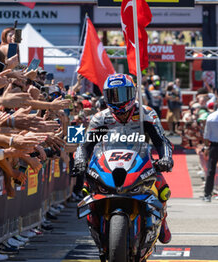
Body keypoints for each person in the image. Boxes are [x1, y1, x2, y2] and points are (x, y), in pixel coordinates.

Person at [72, 73, 174, 244]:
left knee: (163, 190)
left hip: (140, 162)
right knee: (86, 189)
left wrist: (166, 159)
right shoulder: (100, 118)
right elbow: (85, 145)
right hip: (107, 163)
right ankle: (95, 223)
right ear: (105, 96)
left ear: (132, 93)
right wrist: (80, 160)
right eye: (113, 94)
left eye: (122, 94)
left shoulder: (146, 114)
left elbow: (162, 141)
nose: (118, 99)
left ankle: (162, 221)